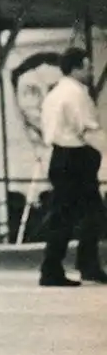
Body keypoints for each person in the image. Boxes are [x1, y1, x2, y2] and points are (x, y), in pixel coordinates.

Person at [38, 47, 107, 287]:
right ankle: (60, 268)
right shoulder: (76, 94)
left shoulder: (54, 94)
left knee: (72, 215)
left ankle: (81, 265)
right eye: (87, 66)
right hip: (76, 158)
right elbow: (87, 129)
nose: (91, 70)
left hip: (60, 156)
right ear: (76, 68)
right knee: (85, 215)